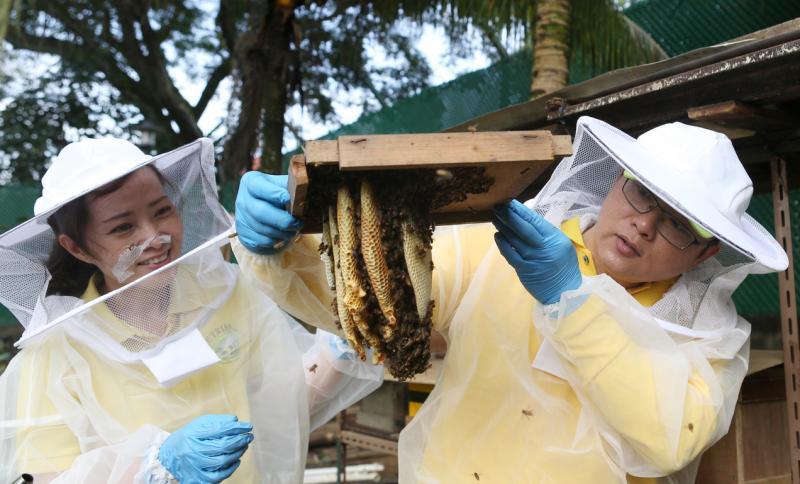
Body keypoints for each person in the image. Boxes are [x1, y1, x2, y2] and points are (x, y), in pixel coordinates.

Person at [232, 116, 788, 483]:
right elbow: (373, 301)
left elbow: (673, 440)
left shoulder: (710, 337)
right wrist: (286, 249)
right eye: (642, 192)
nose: (644, 225)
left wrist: (571, 300)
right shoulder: (497, 247)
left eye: (678, 225)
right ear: (616, 179)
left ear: (705, 254)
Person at [0, 137, 383, 483]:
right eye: (123, 228)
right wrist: (153, 468)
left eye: (163, 210)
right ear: (76, 248)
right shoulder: (55, 352)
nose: (154, 238)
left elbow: (282, 406)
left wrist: (341, 348)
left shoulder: (228, 295)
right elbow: (45, 477)